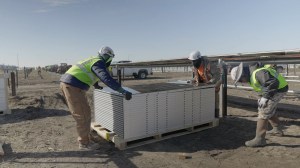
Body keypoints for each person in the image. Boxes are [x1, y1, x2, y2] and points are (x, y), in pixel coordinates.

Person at [60, 46, 132, 150]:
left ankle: (87, 137)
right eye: (109, 58)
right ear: (107, 57)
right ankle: (84, 143)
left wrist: (96, 85)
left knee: (86, 112)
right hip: (73, 86)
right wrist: (122, 91)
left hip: (71, 85)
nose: (109, 60)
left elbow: (90, 73)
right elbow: (106, 78)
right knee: (83, 115)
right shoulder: (99, 62)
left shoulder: (93, 60)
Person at [231, 62, 289, 147]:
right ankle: (277, 129)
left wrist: (265, 97)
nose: (242, 82)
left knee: (263, 112)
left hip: (278, 89)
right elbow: (262, 86)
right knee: (268, 109)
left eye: (240, 79)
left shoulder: (258, 72)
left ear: (243, 74)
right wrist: (261, 97)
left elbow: (273, 83)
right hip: (275, 90)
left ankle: (259, 139)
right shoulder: (253, 74)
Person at [188, 51, 222, 116]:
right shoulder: (195, 67)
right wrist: (193, 80)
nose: (193, 63)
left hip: (213, 85)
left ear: (199, 59)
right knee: (204, 102)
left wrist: (211, 82)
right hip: (203, 85)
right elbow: (197, 75)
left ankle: (216, 117)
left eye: (194, 61)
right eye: (192, 61)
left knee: (214, 102)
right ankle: (205, 116)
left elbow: (217, 75)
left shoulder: (209, 65)